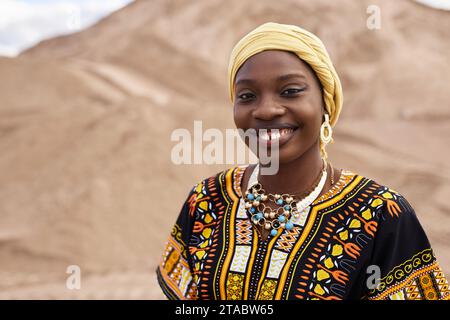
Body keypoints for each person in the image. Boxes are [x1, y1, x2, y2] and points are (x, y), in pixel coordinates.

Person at [156, 22, 449, 300]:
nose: (267, 110)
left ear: (325, 102)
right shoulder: (207, 200)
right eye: (247, 95)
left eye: (291, 91)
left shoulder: (382, 215)